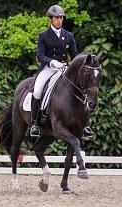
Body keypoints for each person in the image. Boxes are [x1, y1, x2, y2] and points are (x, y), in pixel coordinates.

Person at [30, 5, 94, 139]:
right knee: (37, 90)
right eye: (56, 18)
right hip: (48, 68)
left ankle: (85, 124)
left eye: (61, 18)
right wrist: (52, 62)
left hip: (64, 68)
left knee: (80, 89)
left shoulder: (68, 36)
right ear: (51, 19)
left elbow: (75, 55)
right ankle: (35, 124)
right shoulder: (43, 35)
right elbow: (40, 55)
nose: (59, 20)